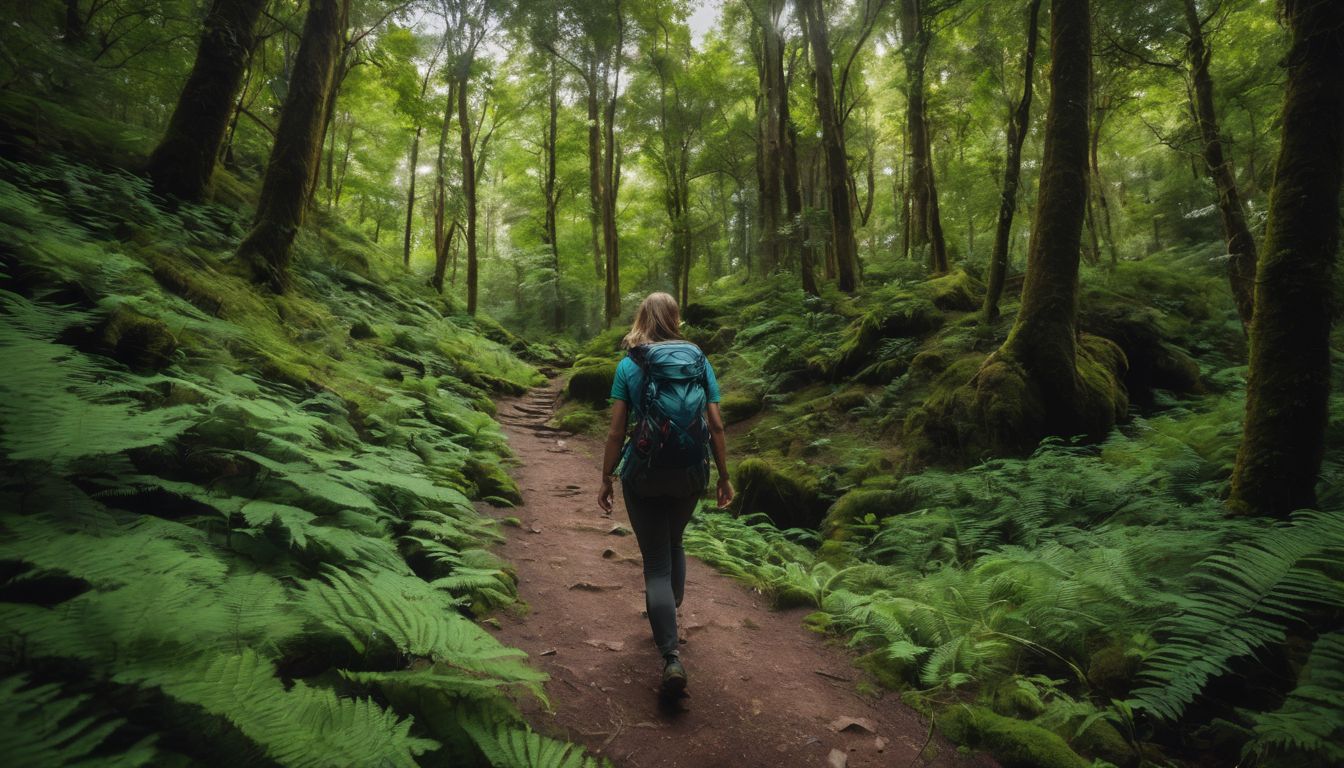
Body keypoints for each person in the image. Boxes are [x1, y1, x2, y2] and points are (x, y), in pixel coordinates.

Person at [597, 292, 734, 698]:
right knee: (675, 542)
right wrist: (724, 476)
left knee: (655, 561)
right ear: (676, 318)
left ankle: (671, 655)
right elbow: (717, 425)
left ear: (642, 317)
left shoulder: (629, 364)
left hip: (643, 473)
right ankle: (669, 609)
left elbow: (616, 431)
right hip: (691, 472)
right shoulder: (698, 361)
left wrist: (606, 477)